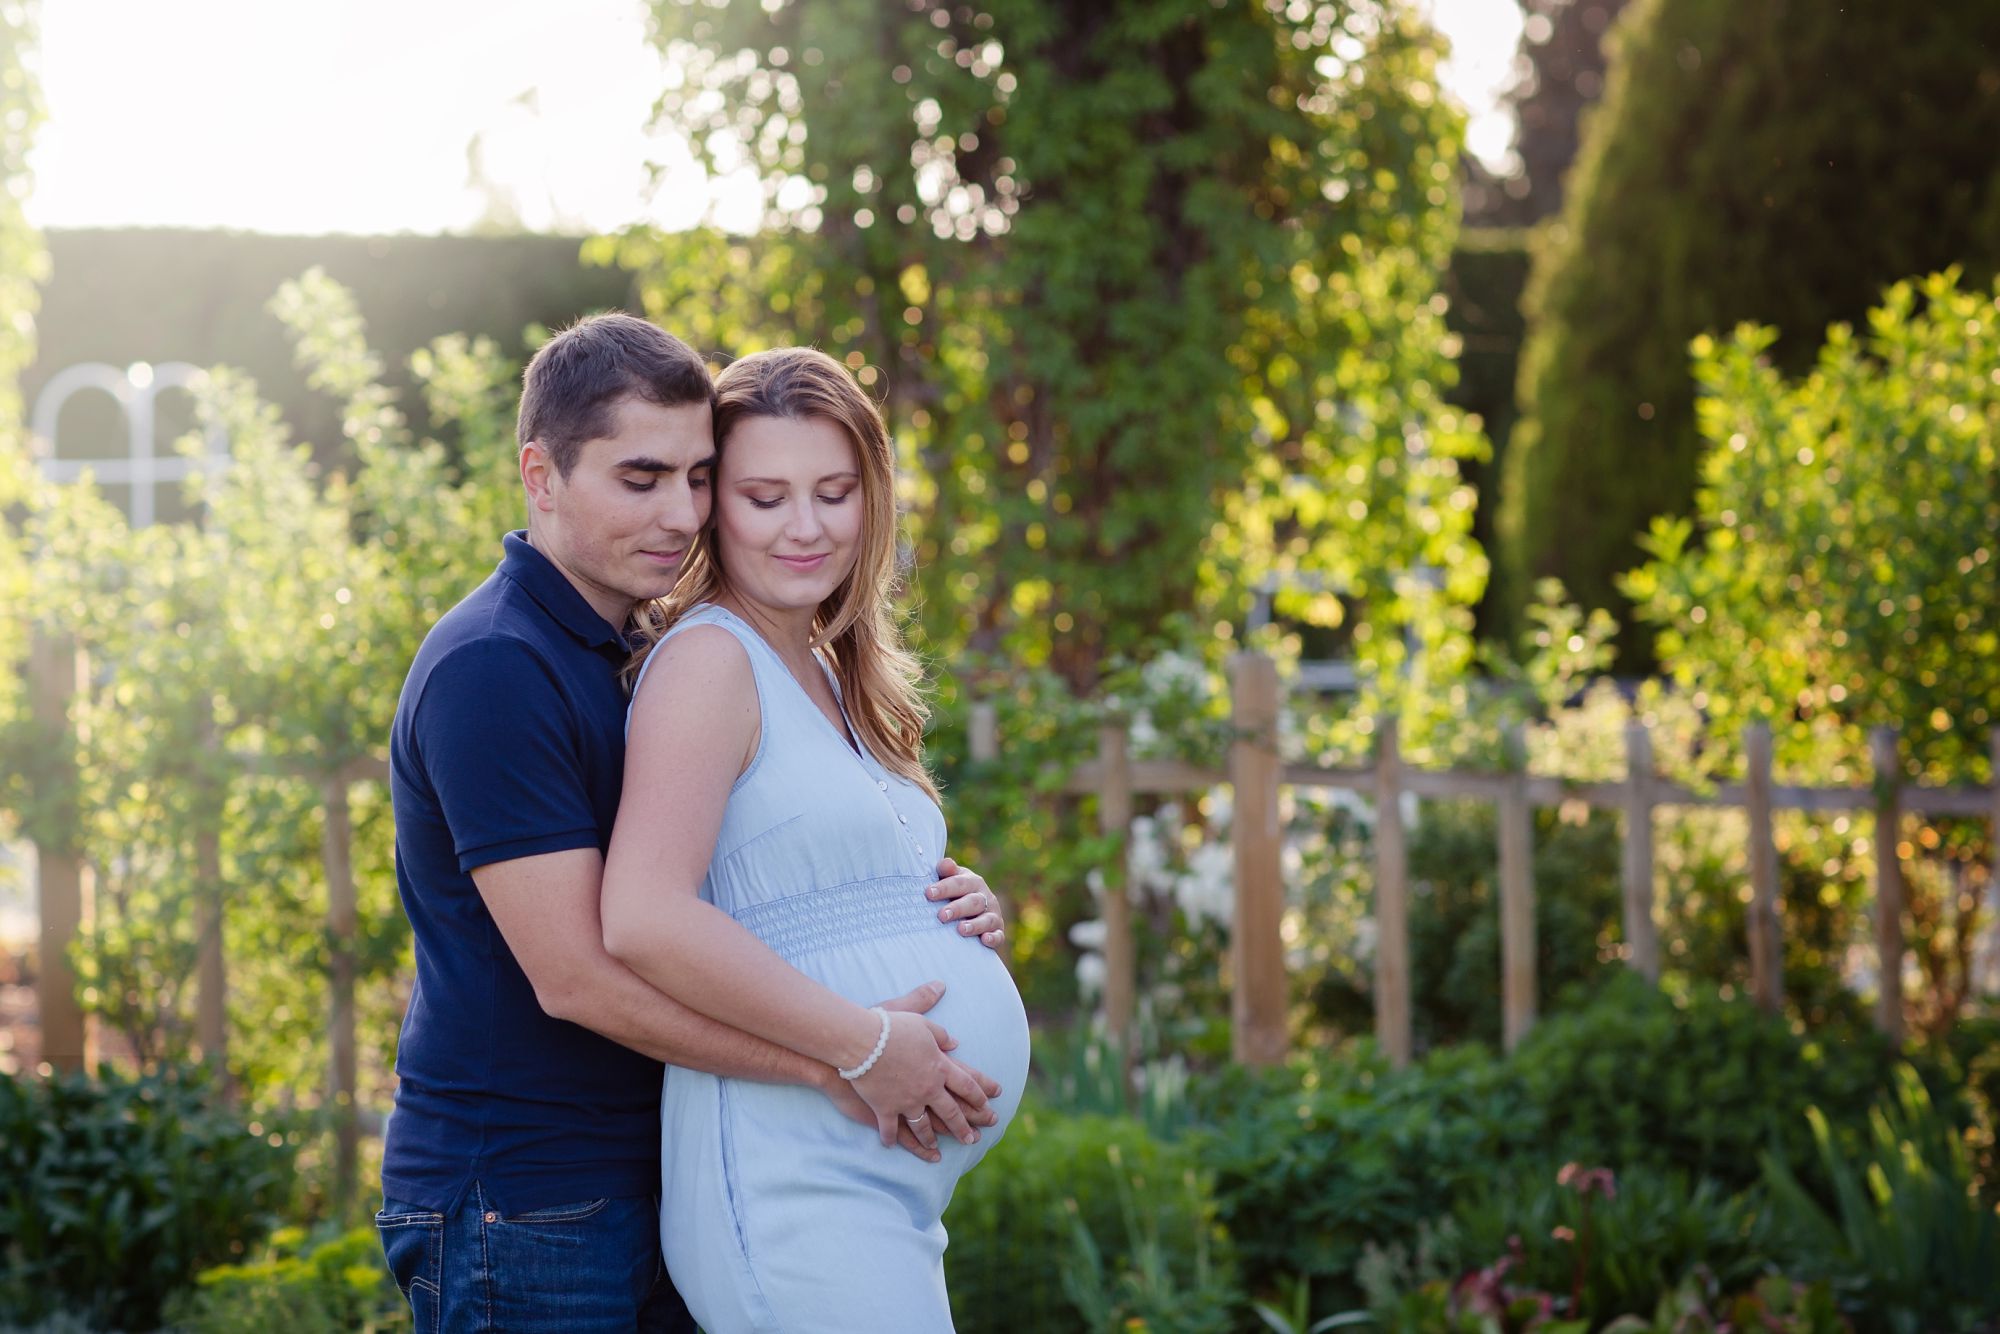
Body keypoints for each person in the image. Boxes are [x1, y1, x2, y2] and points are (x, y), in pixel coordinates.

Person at [378, 314, 1009, 1332]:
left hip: (642, 1165)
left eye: (696, 476)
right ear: (541, 476)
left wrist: (922, 900)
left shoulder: (625, 642)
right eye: (640, 478)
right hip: (523, 1189)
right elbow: (579, 971)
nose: (678, 512)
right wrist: (841, 1057)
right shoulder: (494, 664)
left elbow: (743, 866)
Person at [600, 345, 1032, 1333]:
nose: (805, 526)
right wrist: (869, 1038)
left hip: (874, 1176)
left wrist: (951, 904)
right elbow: (642, 915)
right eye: (765, 496)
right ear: (715, 507)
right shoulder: (710, 660)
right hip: (790, 1172)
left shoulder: (827, 666)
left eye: (833, 492)